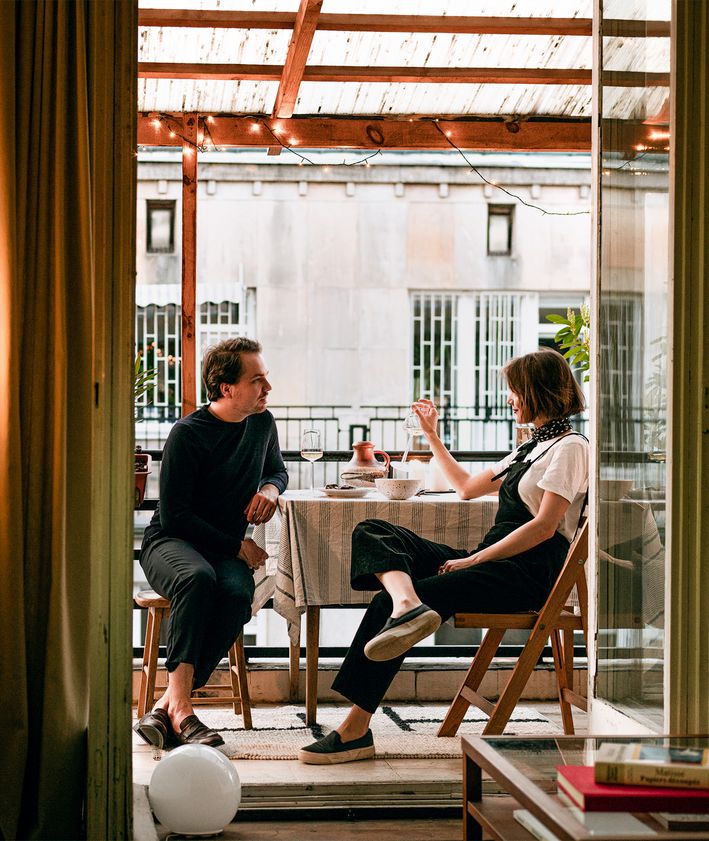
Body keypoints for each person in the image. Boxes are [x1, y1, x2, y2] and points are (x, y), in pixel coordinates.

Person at [299, 347, 587, 764]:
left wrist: (475, 560)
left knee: (381, 602)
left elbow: (544, 527)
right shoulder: (533, 447)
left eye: (514, 391)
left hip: (526, 573)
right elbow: (467, 488)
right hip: (493, 560)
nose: (510, 399)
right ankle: (407, 603)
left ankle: (355, 730)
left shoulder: (571, 448)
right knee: (372, 530)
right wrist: (431, 434)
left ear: (536, 391)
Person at [134, 337, 287, 750]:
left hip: (221, 547)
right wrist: (239, 548)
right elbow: (177, 517)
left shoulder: (262, 423)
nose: (267, 388)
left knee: (238, 594)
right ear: (226, 388)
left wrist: (270, 490)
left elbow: (277, 469)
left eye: (265, 378)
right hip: (172, 541)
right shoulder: (187, 434)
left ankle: (168, 705)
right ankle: (184, 711)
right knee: (198, 578)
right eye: (257, 380)